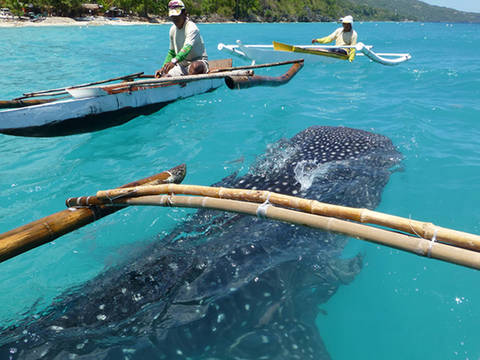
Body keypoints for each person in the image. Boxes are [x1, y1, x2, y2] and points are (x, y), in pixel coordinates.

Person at [155, 0, 208, 78]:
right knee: (163, 76)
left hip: (198, 63)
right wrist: (163, 68)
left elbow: (187, 48)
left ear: (184, 14)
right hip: (181, 66)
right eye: (172, 16)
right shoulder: (172, 30)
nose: (174, 18)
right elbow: (172, 53)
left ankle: (187, 83)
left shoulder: (192, 28)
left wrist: (174, 61)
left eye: (177, 15)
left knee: (195, 66)